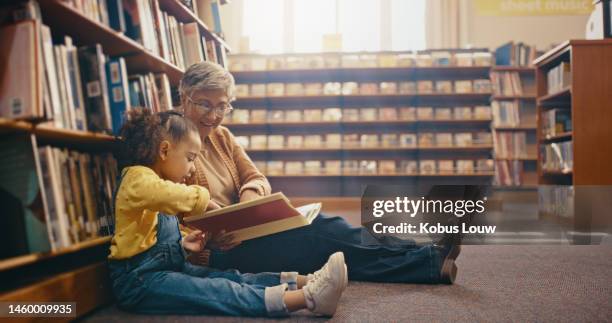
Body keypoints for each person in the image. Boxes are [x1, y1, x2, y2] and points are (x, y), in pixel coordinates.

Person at [181, 61, 463, 284]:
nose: (214, 115)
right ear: (184, 97)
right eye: (205, 104)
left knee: (327, 227)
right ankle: (424, 259)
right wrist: (210, 238)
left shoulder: (223, 136)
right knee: (319, 240)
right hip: (217, 252)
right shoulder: (170, 142)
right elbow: (166, 216)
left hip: (250, 232)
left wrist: (246, 205)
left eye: (222, 106)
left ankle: (424, 257)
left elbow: (254, 177)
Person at [107, 108, 348, 317]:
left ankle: (302, 280)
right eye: (190, 159)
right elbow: (169, 195)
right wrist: (206, 201)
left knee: (227, 277)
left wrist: (182, 243)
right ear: (164, 150)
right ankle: (308, 299)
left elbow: (150, 236)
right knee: (217, 292)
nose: (191, 170)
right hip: (138, 282)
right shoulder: (137, 178)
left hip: (166, 269)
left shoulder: (159, 183)